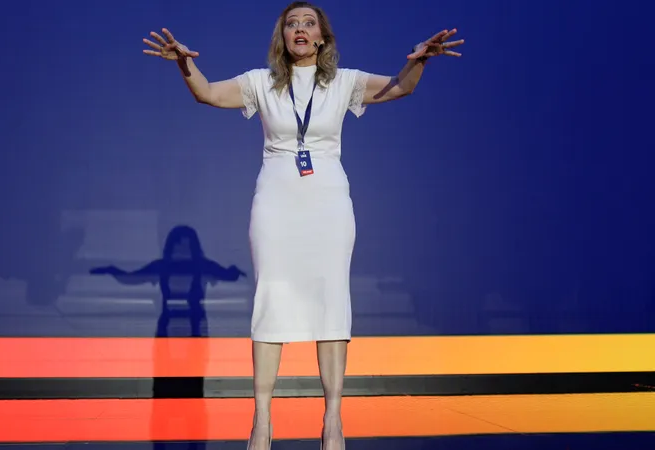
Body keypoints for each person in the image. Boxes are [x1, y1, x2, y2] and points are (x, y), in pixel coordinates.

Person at [142, 2, 463, 449]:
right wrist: (183, 64)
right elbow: (209, 93)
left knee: (331, 300)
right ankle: (262, 420)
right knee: (271, 297)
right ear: (283, 37)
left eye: (308, 23)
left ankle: (332, 419)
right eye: (291, 23)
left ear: (321, 37)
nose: (299, 29)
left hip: (328, 205)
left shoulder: (344, 82)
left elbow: (399, 87)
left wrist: (420, 61)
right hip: (276, 204)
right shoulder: (261, 82)